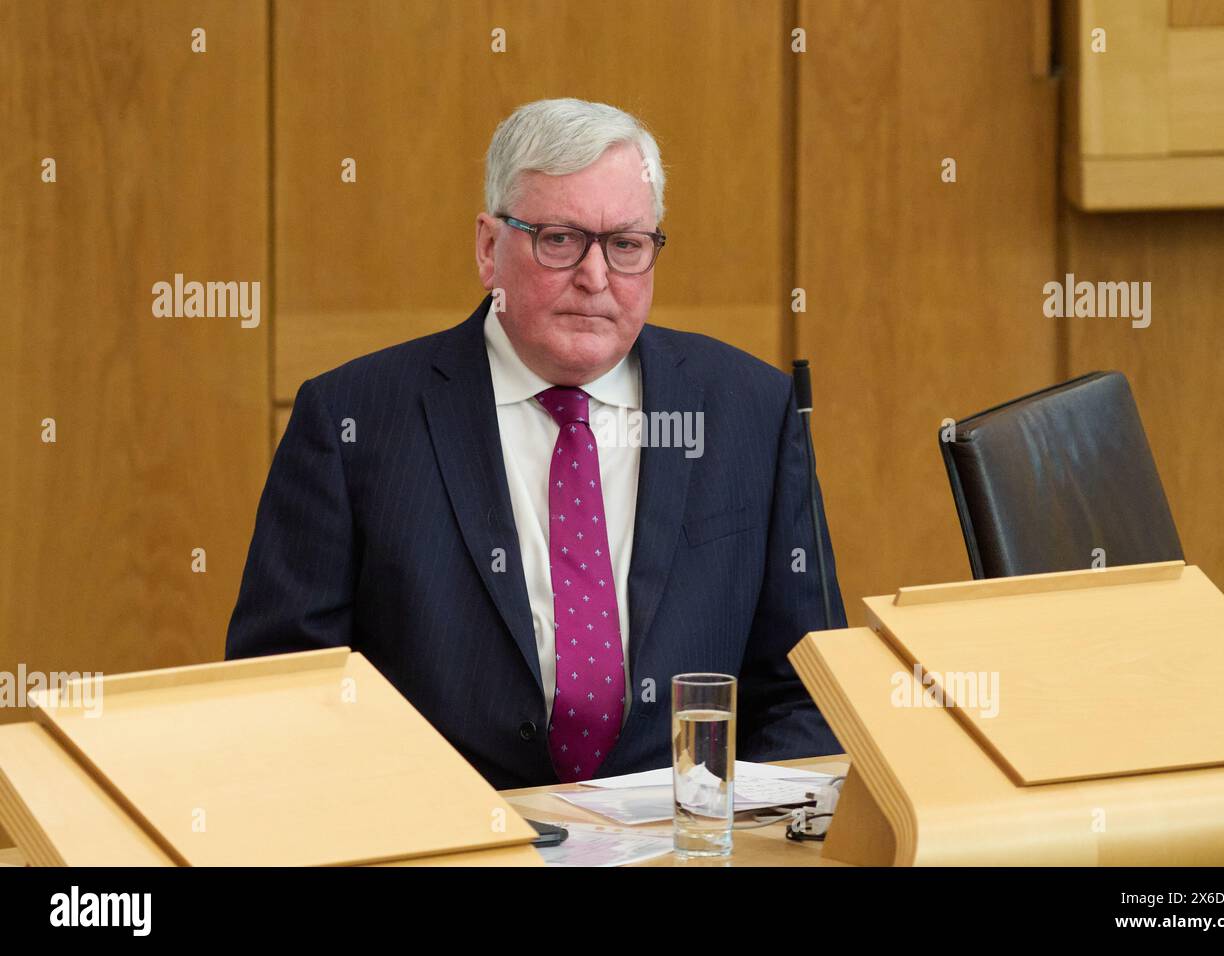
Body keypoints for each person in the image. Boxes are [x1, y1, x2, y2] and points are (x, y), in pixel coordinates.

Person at [227, 97, 845, 789]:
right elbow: (285, 696)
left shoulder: (750, 410)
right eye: (559, 239)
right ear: (490, 248)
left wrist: (726, 830)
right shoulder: (353, 420)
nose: (596, 276)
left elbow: (809, 690)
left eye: (626, 245)